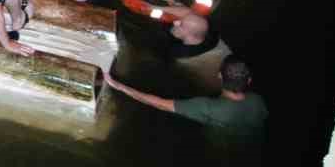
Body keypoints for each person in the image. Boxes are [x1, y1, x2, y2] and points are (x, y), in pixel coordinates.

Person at [104, 56, 267, 134]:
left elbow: (159, 103)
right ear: (249, 80)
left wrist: (119, 86)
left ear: (219, 76)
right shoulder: (257, 101)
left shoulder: (206, 106)